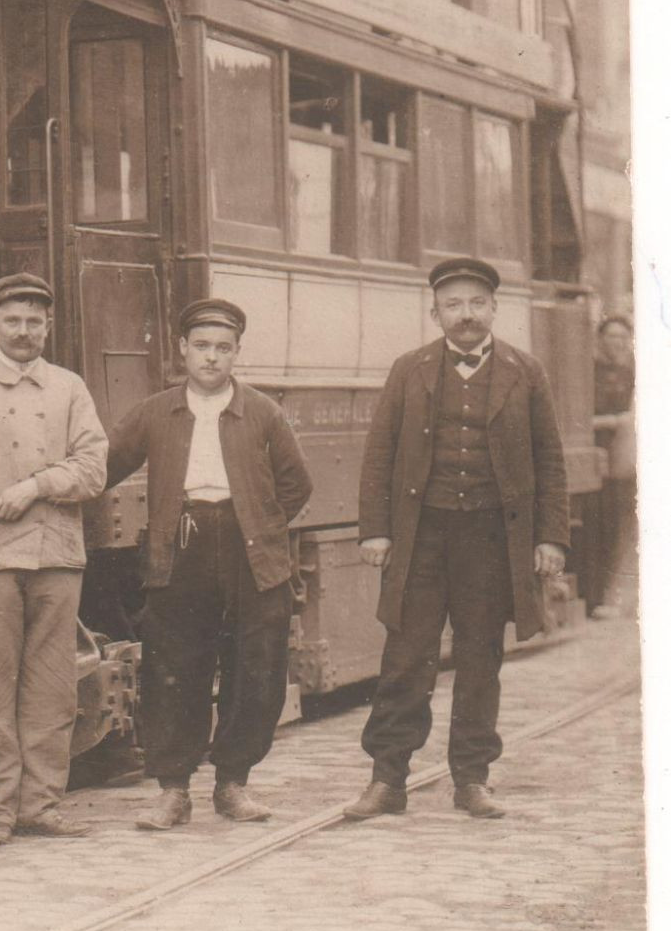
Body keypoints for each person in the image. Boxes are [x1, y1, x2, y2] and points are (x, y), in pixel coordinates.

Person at [344, 258, 568, 822]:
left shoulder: (527, 371)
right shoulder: (409, 369)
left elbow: (550, 461)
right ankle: (387, 779)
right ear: (435, 313)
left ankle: (471, 778)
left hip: (492, 539)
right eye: (453, 305)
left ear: (494, 309)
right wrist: (375, 529)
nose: (465, 315)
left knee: (479, 660)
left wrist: (551, 538)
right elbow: (379, 456)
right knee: (405, 657)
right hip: (423, 537)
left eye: (475, 304)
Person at [104, 299, 313, 830]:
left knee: (255, 667)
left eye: (223, 348)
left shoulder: (263, 412)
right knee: (174, 665)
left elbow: (297, 484)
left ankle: (232, 783)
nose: (212, 358)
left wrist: (259, 524)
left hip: (251, 549)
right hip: (181, 542)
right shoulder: (155, 412)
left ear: (237, 353)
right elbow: (106, 465)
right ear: (182, 349)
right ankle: (173, 789)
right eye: (202, 346)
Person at [0, 274, 107, 844]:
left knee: (52, 686)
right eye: (12, 321)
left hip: (58, 554)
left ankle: (40, 805)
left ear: (48, 326)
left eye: (34, 321)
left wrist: (35, 486)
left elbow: (93, 466)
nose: (23, 332)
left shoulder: (69, 388)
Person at [587, 316, 635, 619]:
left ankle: (608, 592)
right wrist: (615, 421)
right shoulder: (589, 371)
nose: (616, 342)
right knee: (597, 524)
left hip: (622, 457)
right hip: (596, 453)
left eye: (622, 337)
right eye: (611, 336)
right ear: (600, 339)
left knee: (619, 526)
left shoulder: (631, 371)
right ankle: (594, 595)